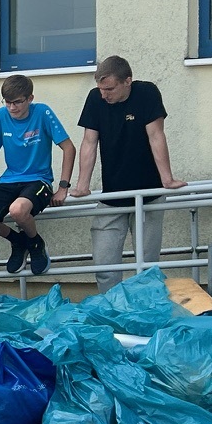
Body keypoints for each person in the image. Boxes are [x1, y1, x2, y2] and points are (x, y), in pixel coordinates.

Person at [76, 58, 185, 293]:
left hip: (148, 195)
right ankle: (111, 308)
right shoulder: (95, 99)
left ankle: (146, 308)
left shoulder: (147, 93)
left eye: (109, 89)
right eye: (100, 89)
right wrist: (82, 185)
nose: (104, 95)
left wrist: (167, 179)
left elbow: (156, 135)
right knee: (104, 265)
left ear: (128, 81)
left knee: (147, 266)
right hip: (111, 196)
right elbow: (89, 142)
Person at [0, 75, 76, 278]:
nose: (12, 107)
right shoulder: (0, 116)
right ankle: (18, 241)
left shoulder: (42, 112)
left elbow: (69, 148)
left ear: (30, 98)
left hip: (38, 179)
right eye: (7, 102)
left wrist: (63, 187)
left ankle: (36, 243)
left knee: (18, 210)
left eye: (17, 102)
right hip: (9, 180)